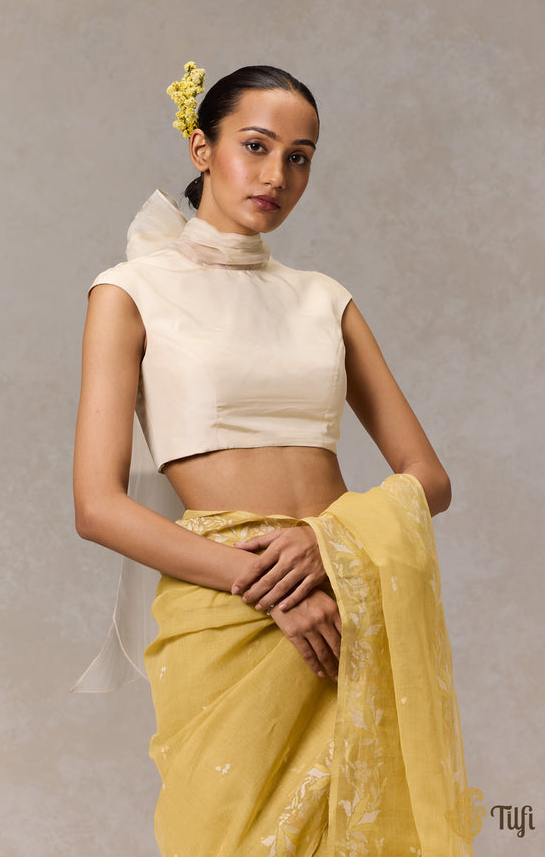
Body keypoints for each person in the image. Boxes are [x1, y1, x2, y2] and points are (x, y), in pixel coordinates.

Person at [73, 64, 471, 856]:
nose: (277, 175)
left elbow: (428, 477)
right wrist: (268, 586)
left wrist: (328, 546)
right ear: (201, 148)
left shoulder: (324, 299)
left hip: (346, 592)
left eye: (300, 157)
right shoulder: (129, 293)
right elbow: (97, 506)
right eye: (255, 146)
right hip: (226, 605)